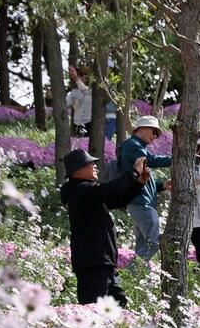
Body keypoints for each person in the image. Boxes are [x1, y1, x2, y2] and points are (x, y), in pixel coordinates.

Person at [60, 149, 149, 305]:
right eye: (91, 163)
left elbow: (117, 199)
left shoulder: (87, 192)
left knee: (119, 302)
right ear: (78, 170)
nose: (95, 166)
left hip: (101, 263)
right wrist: (134, 172)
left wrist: (138, 184)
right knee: (94, 309)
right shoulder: (80, 192)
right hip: (93, 264)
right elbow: (110, 189)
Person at [116, 116, 173, 261]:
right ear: (141, 128)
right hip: (142, 203)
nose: (155, 137)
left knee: (142, 246)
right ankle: (129, 276)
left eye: (157, 134)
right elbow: (151, 161)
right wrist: (176, 158)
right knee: (153, 243)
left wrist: (162, 185)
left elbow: (144, 179)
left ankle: (132, 281)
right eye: (153, 132)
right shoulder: (133, 145)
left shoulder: (136, 147)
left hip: (140, 202)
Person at [66, 67, 94, 136]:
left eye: (81, 75)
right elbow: (66, 103)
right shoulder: (73, 92)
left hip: (89, 122)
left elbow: (84, 89)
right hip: (77, 123)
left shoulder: (90, 90)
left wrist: (76, 78)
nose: (81, 78)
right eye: (78, 76)